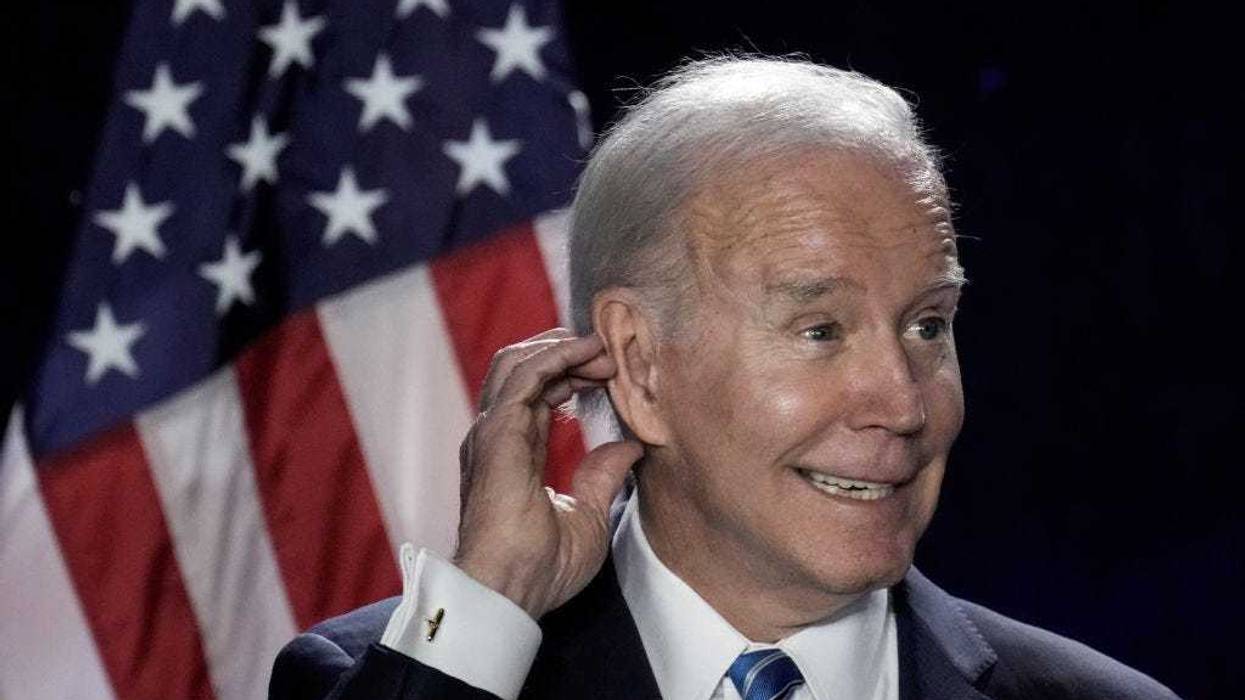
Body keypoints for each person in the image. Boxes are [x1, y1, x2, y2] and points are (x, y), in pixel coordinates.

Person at [269, 56, 1179, 700]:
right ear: (640, 363)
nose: (904, 403)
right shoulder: (407, 678)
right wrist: (483, 613)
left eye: (927, 325)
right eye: (819, 330)